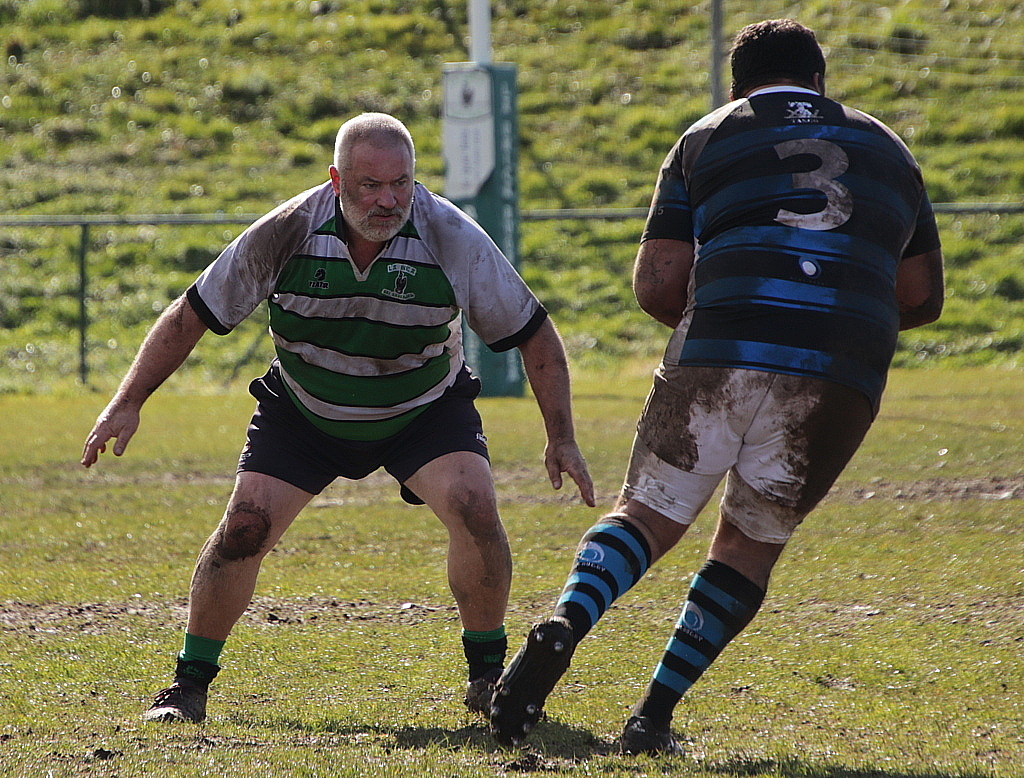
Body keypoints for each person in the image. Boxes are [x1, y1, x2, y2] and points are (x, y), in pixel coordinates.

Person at [489, 19, 944, 755]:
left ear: (738, 87)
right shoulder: (890, 148)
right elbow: (921, 295)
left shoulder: (709, 134)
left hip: (721, 341)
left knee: (648, 513)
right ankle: (651, 716)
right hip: (840, 368)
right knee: (749, 542)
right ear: (821, 81)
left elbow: (658, 281)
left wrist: (714, 318)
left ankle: (568, 620)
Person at [81, 112, 595, 724]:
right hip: (306, 410)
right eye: (370, 184)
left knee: (475, 505)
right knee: (244, 528)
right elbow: (191, 313)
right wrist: (128, 399)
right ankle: (187, 685)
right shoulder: (286, 230)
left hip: (421, 410)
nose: (387, 200)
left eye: (400, 183)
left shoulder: (451, 235)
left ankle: (488, 679)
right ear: (335, 180)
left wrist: (561, 436)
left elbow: (535, 334)